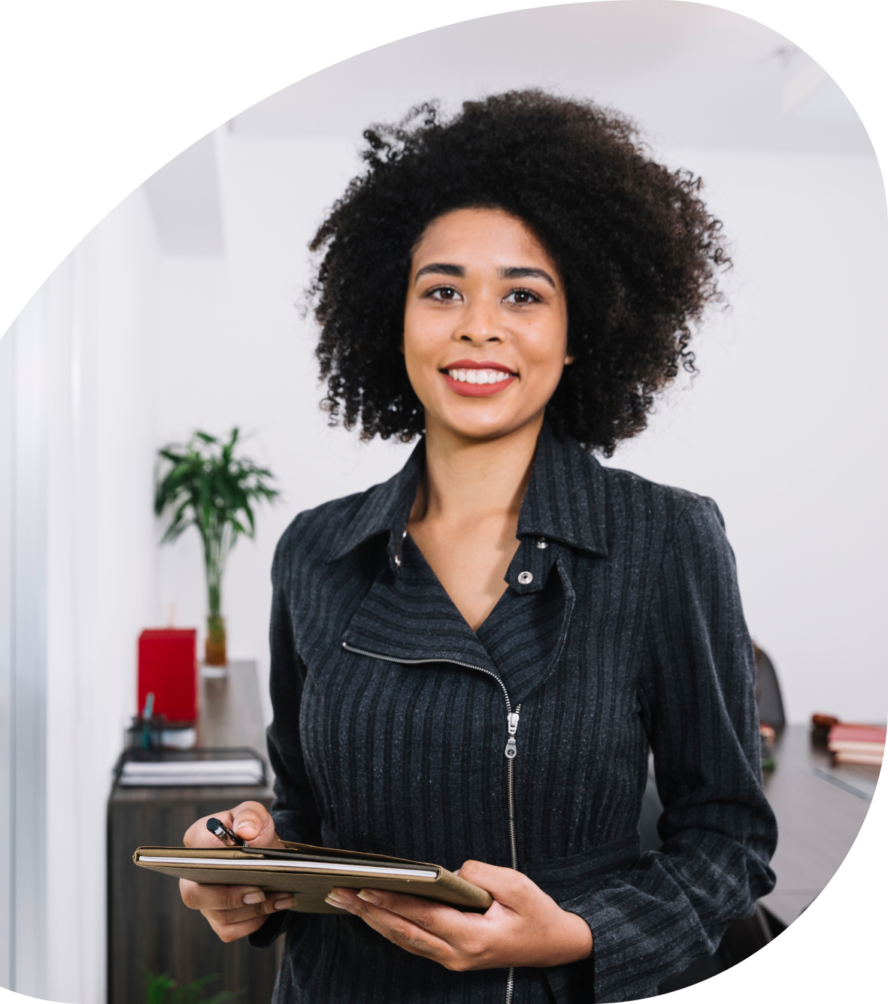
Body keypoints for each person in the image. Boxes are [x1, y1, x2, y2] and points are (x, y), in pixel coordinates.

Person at [179, 90, 777, 1004]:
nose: (477, 325)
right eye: (443, 289)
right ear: (398, 314)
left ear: (582, 332)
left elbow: (727, 842)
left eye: (524, 294)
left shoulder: (665, 541)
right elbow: (303, 812)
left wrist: (575, 937)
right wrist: (247, 865)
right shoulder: (317, 550)